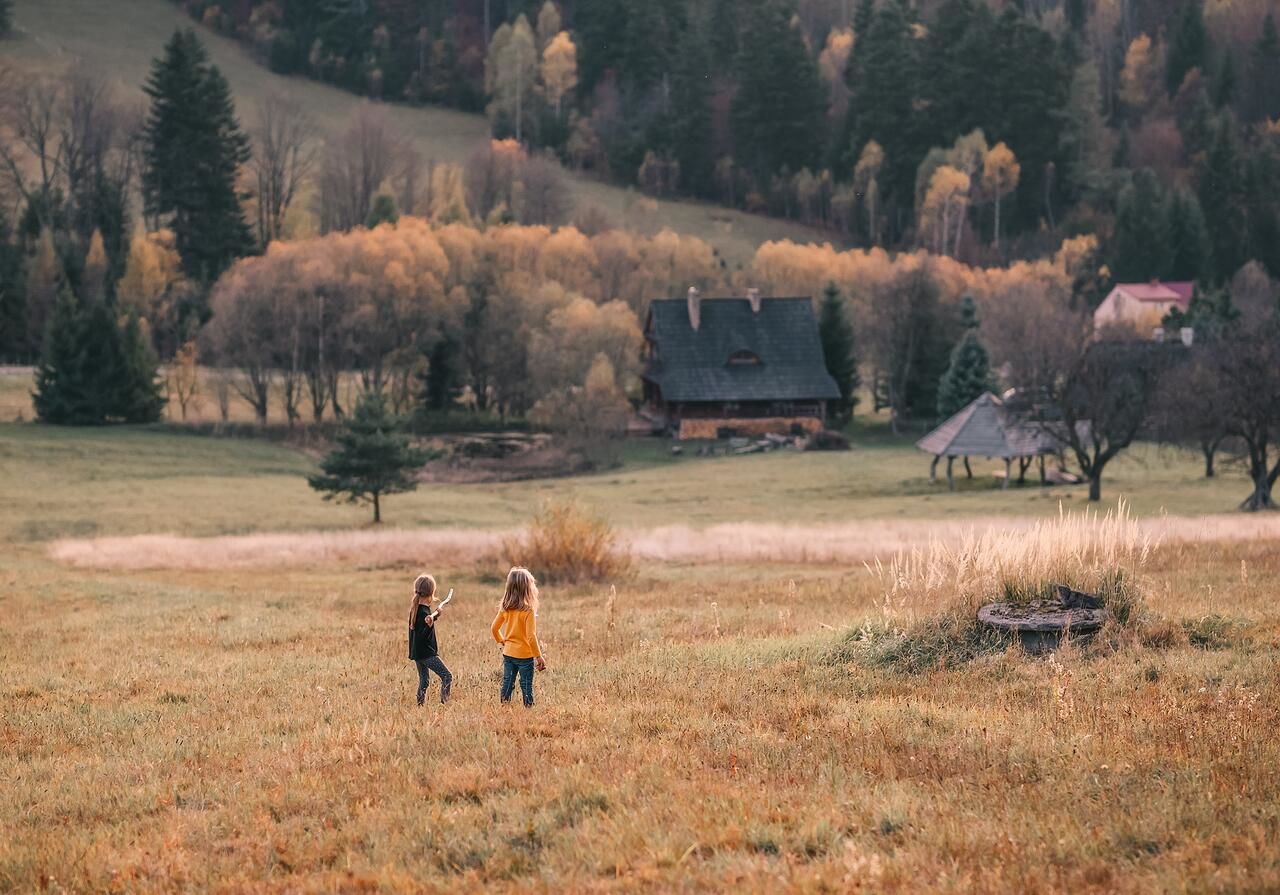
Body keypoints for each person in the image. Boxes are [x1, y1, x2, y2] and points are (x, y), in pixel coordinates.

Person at [490, 567, 546, 707]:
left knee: (508, 682)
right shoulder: (528, 611)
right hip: (525, 656)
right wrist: (538, 656)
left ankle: (504, 706)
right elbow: (531, 636)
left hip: (508, 653)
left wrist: (503, 642)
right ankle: (528, 709)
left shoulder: (505, 608)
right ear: (528, 589)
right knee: (526, 684)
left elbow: (494, 628)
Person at [408, 573, 452, 705]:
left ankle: (420, 706)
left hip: (418, 653)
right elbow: (423, 635)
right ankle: (444, 705)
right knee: (447, 676)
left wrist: (435, 616)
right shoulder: (424, 613)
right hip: (426, 654)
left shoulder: (416, 610)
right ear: (432, 593)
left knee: (424, 681)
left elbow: (421, 628)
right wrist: (430, 624)